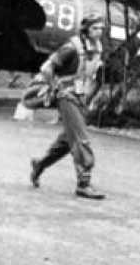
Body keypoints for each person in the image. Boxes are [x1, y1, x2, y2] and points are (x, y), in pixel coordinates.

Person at [28, 13, 107, 200]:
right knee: (81, 139)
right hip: (67, 96)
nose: (99, 32)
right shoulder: (71, 48)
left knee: (67, 141)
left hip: (81, 97)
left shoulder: (97, 47)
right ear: (86, 29)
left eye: (101, 29)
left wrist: (90, 96)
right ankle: (84, 184)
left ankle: (40, 164)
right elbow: (47, 68)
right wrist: (55, 87)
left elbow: (94, 76)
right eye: (95, 28)